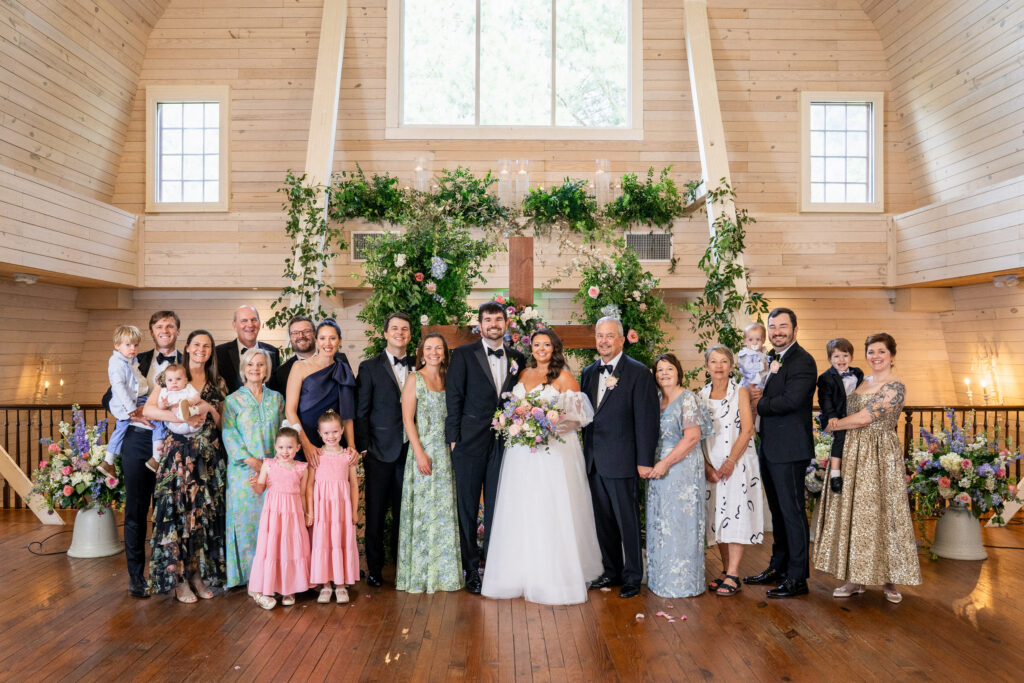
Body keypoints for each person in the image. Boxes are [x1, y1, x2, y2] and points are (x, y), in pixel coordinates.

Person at [482, 329, 602, 605]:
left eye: (547, 344)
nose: (541, 349)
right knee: (522, 509)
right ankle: (518, 572)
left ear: (555, 348)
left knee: (549, 507)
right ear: (531, 348)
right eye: (537, 344)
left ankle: (552, 573)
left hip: (552, 452)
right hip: (521, 454)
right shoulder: (523, 375)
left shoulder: (564, 377)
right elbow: (511, 408)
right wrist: (517, 419)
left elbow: (578, 418)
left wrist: (547, 426)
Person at [814, 333, 921, 604]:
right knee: (856, 515)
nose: (875, 356)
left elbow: (865, 417)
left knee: (884, 513)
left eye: (881, 352)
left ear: (892, 356)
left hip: (879, 454)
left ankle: (889, 578)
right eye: (871, 351)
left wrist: (833, 424)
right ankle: (855, 578)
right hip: (851, 452)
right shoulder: (861, 381)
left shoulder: (895, 386)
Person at [445, 302, 525, 594]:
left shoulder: (518, 358)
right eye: (488, 319)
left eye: (498, 319)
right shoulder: (464, 355)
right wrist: (453, 437)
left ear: (506, 324)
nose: (494, 324)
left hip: (504, 443)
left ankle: (493, 567)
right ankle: (470, 571)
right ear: (480, 325)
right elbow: (453, 397)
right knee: (467, 507)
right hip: (468, 441)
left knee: (497, 506)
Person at [144, 329, 228, 603]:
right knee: (178, 518)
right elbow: (148, 410)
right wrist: (181, 415)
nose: (202, 349)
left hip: (207, 460)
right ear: (188, 348)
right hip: (178, 456)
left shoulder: (218, 382)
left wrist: (208, 409)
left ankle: (197, 576)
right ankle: (179, 581)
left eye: (207, 345)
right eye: (197, 345)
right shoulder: (173, 375)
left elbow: (222, 424)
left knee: (201, 520)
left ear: (211, 351)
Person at [580, 317, 659, 599]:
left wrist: (644, 460)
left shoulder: (638, 373)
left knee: (627, 521)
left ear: (622, 339)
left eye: (610, 336)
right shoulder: (588, 372)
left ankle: (633, 576)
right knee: (603, 522)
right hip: (594, 460)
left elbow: (647, 420)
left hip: (624, 459)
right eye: (600, 336)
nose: (604, 341)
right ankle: (611, 572)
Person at [744, 307, 817, 599]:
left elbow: (790, 401)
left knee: (792, 512)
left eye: (783, 326)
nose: (776, 332)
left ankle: (798, 578)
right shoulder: (772, 358)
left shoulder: (803, 361)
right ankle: (779, 567)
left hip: (789, 449)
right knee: (778, 512)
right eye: (772, 327)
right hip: (771, 446)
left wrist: (760, 403)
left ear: (795, 330)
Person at [113, 310, 183, 599]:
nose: (164, 330)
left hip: (175, 443)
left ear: (177, 330)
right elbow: (110, 395)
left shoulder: (187, 362)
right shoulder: (133, 357)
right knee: (136, 511)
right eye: (158, 326)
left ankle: (172, 576)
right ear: (151, 332)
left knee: (172, 510)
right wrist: (133, 413)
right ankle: (136, 577)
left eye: (169, 326)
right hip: (138, 441)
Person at [396, 332, 463, 593]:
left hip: (446, 454)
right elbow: (407, 420)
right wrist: (420, 452)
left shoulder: (449, 379)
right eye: (429, 348)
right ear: (421, 352)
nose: (434, 352)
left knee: (445, 510)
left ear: (445, 352)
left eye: (439, 348)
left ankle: (444, 574)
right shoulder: (415, 379)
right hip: (423, 451)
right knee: (424, 512)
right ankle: (422, 574)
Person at [645, 353, 711, 599]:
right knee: (662, 522)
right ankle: (661, 579)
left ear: (679, 371)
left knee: (681, 524)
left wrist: (665, 463)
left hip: (681, 467)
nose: (664, 373)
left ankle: (683, 583)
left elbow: (692, 437)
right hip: (658, 467)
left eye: (669, 369)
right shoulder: (656, 400)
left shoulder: (688, 399)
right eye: (659, 370)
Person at [699, 346, 764, 597]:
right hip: (712, 466)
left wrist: (729, 462)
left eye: (724, 361)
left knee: (735, 516)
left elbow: (747, 430)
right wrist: (707, 467)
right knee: (718, 518)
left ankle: (734, 574)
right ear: (706, 367)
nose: (718, 366)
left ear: (731, 366)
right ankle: (726, 571)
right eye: (713, 361)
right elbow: (697, 435)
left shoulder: (740, 392)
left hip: (737, 464)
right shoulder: (700, 395)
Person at [355, 312, 413, 588]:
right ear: (385, 333)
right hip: (379, 453)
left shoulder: (419, 366)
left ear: (410, 335)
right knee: (376, 514)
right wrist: (365, 448)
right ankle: (376, 569)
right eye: (394, 328)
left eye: (404, 329)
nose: (399, 333)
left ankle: (403, 566)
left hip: (410, 452)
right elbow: (361, 411)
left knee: (406, 514)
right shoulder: (369, 367)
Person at [222, 348, 285, 591]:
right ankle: (247, 576)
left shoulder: (276, 399)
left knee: (271, 523)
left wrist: (273, 464)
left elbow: (282, 431)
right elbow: (229, 434)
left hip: (273, 470)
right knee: (246, 522)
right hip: (243, 473)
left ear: (267, 369)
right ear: (243, 369)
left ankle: (271, 575)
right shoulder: (232, 401)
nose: (255, 369)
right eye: (250, 365)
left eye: (260, 364)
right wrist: (253, 462)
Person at [248, 427, 312, 610]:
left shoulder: (301, 469)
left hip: (293, 515)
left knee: (290, 549)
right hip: (274, 515)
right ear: (275, 447)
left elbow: (301, 494)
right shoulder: (268, 465)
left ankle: (289, 589)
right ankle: (270, 586)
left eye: (290, 447)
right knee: (274, 548)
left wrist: (306, 513)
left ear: (298, 448)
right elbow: (261, 489)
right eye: (282, 447)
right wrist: (255, 485)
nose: (286, 451)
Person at [285, 319, 357, 470]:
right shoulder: (299, 367)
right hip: (305, 437)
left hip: (333, 441)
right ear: (316, 341)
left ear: (339, 341)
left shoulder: (343, 369)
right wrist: (306, 445)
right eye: (323, 338)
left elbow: (347, 413)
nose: (328, 343)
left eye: (332, 338)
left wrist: (351, 445)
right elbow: (290, 411)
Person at [310, 410, 361, 604]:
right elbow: (309, 486)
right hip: (323, 510)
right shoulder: (317, 456)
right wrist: (311, 511)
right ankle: (325, 584)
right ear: (319, 433)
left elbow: (354, 485)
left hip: (342, 510)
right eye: (326, 433)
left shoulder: (348, 456)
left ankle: (340, 584)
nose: (331, 436)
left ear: (341, 431)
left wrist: (354, 511)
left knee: (341, 542)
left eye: (335, 432)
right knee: (324, 543)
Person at [99, 325, 147, 479]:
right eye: (128, 345)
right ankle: (108, 461)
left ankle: (108, 461)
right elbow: (118, 387)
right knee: (120, 429)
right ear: (117, 346)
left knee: (120, 430)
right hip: (126, 403)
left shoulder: (129, 360)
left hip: (132, 400)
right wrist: (130, 407)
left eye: (135, 345)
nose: (132, 348)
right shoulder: (117, 363)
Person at [816, 338, 864, 494]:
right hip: (836, 415)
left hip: (854, 414)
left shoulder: (858, 373)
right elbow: (825, 399)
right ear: (830, 359)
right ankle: (835, 474)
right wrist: (831, 416)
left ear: (851, 357)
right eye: (836, 356)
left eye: (845, 355)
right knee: (840, 436)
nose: (841, 359)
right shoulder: (825, 378)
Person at [268, 315, 349, 395]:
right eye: (295, 333)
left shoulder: (340, 359)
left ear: (315, 334)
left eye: (306, 331)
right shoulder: (281, 372)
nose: (301, 336)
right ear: (290, 337)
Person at [144, 364, 202, 472]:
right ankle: (184, 416)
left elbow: (197, 396)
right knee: (173, 412)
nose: (174, 382)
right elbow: (160, 407)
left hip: (192, 420)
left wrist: (192, 401)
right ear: (165, 382)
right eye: (170, 380)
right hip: (175, 424)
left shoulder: (188, 388)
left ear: (185, 380)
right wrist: (164, 404)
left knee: (197, 410)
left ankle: (187, 417)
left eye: (178, 379)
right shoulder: (165, 391)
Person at [216, 305, 280, 394]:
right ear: (234, 325)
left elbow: (275, 387)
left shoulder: (272, 352)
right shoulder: (219, 353)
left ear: (259, 323)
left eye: (254, 320)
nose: (250, 325)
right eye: (244, 321)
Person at [737, 322, 769, 391]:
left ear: (763, 341)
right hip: (748, 385)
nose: (754, 342)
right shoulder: (746, 354)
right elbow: (746, 367)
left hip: (761, 385)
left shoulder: (763, 353)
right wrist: (761, 366)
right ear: (745, 341)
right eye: (750, 339)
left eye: (758, 339)